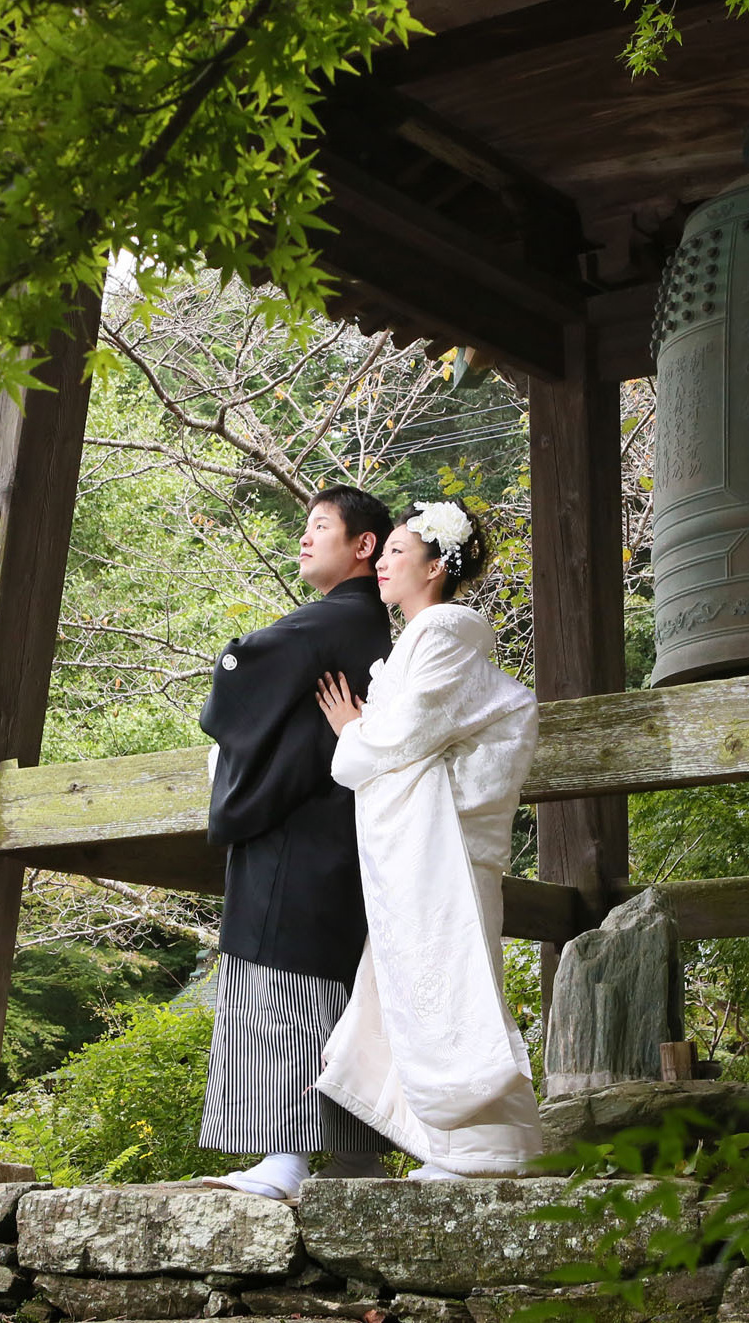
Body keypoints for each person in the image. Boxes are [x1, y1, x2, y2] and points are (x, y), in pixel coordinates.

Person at [310, 500, 543, 1178]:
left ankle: (479, 1146)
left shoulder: (446, 630)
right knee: (420, 981)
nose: (381, 563)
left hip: (442, 839)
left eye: (397, 553)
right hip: (420, 841)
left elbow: (400, 737)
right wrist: (367, 740)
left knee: (449, 975)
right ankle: (473, 1144)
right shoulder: (421, 639)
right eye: (380, 553)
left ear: (437, 566)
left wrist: (353, 733)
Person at [195, 486, 397, 1200]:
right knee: (338, 990)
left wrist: (225, 674)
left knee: (278, 986)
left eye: (320, 527)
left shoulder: (326, 623)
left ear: (363, 545)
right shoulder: (374, 631)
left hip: (295, 832)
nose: (305, 539)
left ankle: (284, 1156)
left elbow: (242, 667)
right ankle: (355, 1158)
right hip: (346, 836)